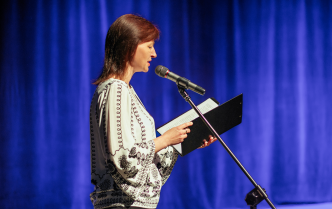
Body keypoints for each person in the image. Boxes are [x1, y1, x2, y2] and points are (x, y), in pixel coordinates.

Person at [89, 14, 216, 209]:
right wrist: (165, 139)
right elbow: (123, 158)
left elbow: (140, 160)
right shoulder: (116, 89)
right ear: (129, 46)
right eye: (149, 46)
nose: (154, 54)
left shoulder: (125, 90)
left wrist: (185, 140)